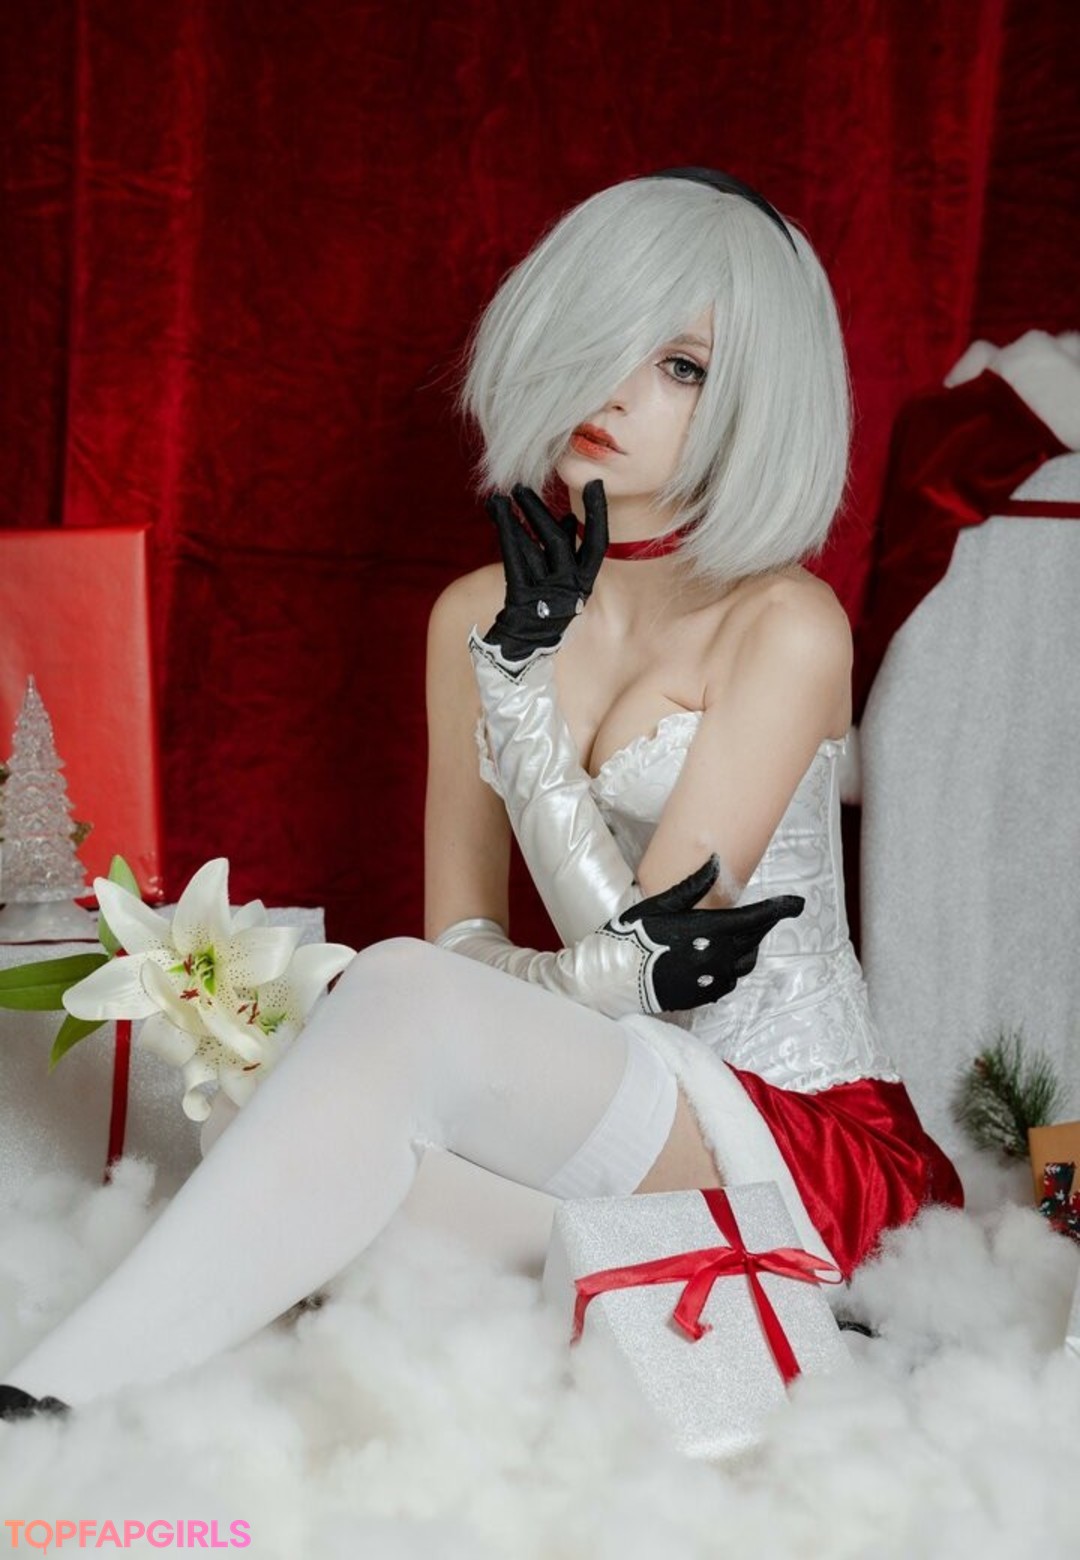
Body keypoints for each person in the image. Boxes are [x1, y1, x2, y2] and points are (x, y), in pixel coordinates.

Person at [0, 168, 961, 1422]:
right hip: (601, 1124)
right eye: (604, 334)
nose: (616, 389)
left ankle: (45, 1404)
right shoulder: (475, 613)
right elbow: (465, 942)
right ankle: (667, 1307)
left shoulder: (786, 624)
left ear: (757, 403)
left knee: (380, 1014)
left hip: (797, 1147)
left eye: (681, 366)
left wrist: (520, 703)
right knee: (264, 1119)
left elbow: (655, 972)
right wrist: (508, 703)